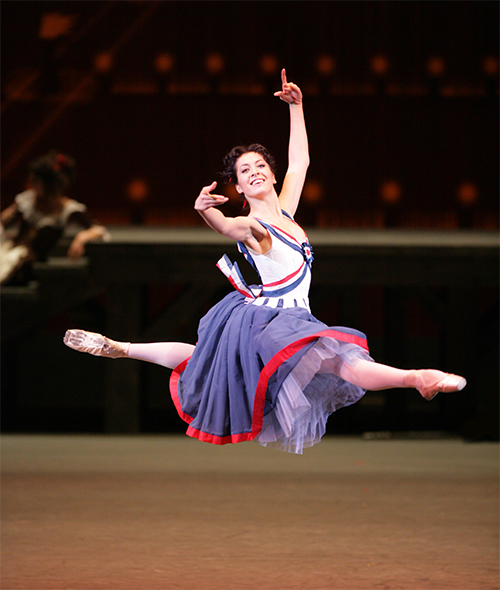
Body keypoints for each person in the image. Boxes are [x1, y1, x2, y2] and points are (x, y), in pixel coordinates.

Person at [64, 69, 466, 454]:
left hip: (294, 318)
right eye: (244, 170)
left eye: (260, 165)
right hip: (266, 321)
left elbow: (301, 161)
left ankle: (122, 348)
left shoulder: (286, 213)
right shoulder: (254, 225)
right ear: (237, 186)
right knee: (338, 364)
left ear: (272, 174)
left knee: (207, 359)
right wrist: (205, 211)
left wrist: (296, 106)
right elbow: (226, 228)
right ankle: (417, 378)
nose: (254, 171)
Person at [1, 150, 109, 285]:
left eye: (35, 180)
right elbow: (3, 222)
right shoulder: (27, 200)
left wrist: (82, 237)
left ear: (47, 184)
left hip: (27, 268)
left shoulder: (68, 209)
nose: (31, 184)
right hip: (7, 253)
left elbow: (98, 229)